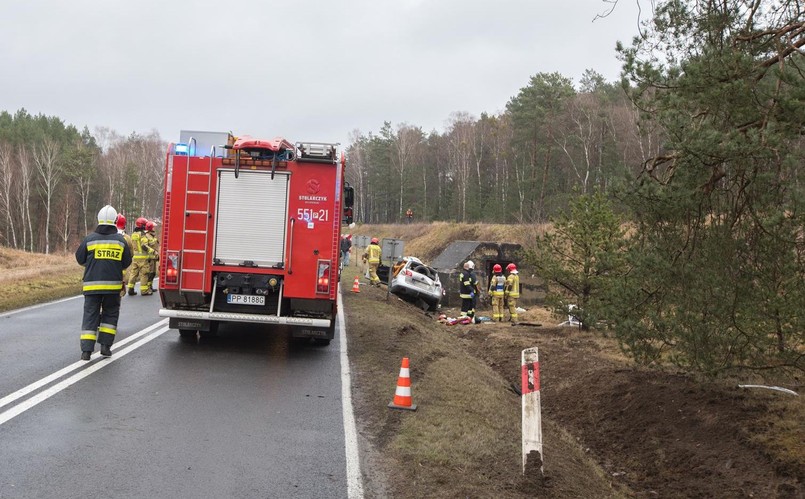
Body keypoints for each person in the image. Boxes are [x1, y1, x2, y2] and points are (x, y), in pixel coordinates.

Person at [75, 205, 133, 360]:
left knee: (90, 315)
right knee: (110, 315)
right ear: (115, 221)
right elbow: (126, 262)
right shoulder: (121, 241)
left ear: (99, 220)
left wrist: (92, 264)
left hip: (91, 286)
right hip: (113, 288)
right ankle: (105, 348)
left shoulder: (89, 239)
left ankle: (86, 352)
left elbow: (80, 259)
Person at [127, 217, 156, 296]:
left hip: (135, 258)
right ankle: (144, 291)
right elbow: (144, 245)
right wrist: (152, 251)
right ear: (142, 225)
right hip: (143, 258)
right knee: (144, 274)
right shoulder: (142, 234)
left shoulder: (133, 234)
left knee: (133, 273)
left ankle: (130, 289)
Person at [145, 220, 160, 293]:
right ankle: (148, 287)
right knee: (150, 273)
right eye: (153, 227)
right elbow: (145, 247)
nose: (154, 228)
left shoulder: (152, 236)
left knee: (153, 273)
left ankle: (150, 286)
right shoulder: (147, 236)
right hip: (150, 258)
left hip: (154, 257)